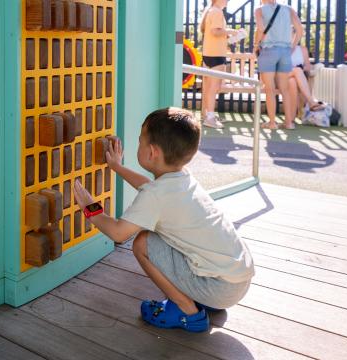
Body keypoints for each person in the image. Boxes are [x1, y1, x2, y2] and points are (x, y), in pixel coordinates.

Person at [72, 107, 255, 332]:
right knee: (159, 237)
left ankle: (188, 311)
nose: (137, 145)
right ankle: (200, 298)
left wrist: (89, 208)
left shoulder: (157, 196)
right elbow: (148, 188)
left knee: (142, 243)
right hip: (237, 281)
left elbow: (118, 233)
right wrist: (117, 168)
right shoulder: (182, 178)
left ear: (152, 152)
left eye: (140, 142)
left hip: (219, 288)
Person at [253, 0, 303, 130]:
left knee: (269, 89)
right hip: (285, 51)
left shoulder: (259, 10)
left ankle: (272, 123)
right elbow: (300, 30)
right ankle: (289, 123)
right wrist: (291, 46)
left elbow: (260, 29)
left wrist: (256, 44)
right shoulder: (289, 9)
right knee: (284, 89)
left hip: (268, 50)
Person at [199, 0, 243, 129]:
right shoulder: (217, 12)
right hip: (216, 55)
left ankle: (208, 115)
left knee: (209, 88)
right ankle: (210, 118)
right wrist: (233, 32)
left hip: (209, 54)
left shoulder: (211, 11)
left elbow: (216, 34)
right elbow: (216, 31)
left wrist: (229, 36)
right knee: (214, 88)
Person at [288, 44, 325, 116]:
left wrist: (300, 67)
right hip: (283, 76)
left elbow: (307, 67)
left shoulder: (303, 49)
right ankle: (311, 102)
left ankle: (293, 117)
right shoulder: (280, 47)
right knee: (297, 71)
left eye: (293, 33)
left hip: (296, 78)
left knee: (294, 80)